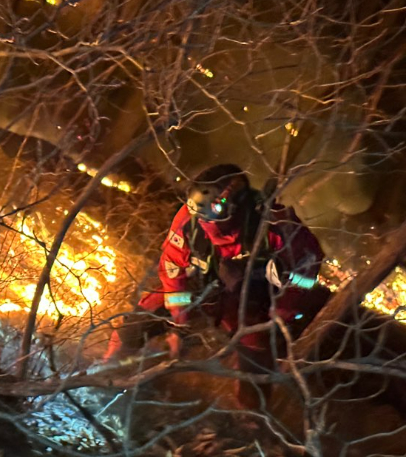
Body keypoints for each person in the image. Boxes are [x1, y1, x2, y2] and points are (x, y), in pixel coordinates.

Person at [104, 164, 330, 408]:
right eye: (201, 214)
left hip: (253, 303)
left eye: (215, 213)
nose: (206, 223)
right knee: (141, 318)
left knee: (255, 359)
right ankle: (106, 371)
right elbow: (172, 270)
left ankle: (251, 419)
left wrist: (281, 312)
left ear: (236, 209)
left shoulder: (277, 227)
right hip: (205, 287)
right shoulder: (190, 219)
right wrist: (180, 323)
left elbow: (306, 275)